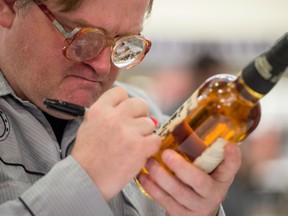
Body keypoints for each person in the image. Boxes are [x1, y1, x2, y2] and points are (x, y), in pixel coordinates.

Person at [0, 0, 241, 215]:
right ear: (9, 6)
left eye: (124, 44)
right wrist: (84, 180)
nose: (103, 66)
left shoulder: (148, 118)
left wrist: (200, 209)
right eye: (81, 37)